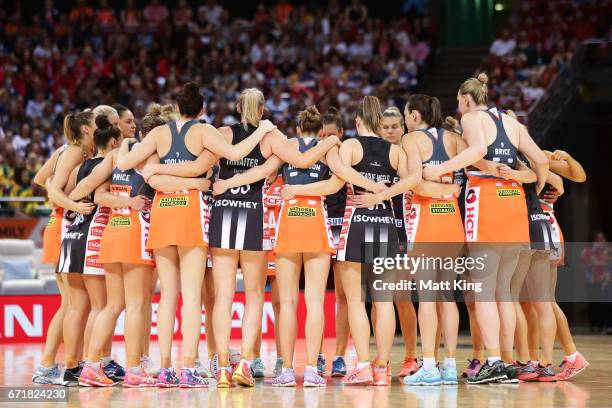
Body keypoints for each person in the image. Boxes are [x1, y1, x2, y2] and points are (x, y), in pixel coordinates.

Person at [116, 82, 276, 387]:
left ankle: (165, 368)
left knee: (166, 299)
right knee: (191, 298)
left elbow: (125, 163)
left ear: (175, 108)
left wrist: (155, 169)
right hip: (190, 213)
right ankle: (188, 368)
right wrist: (262, 129)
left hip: (163, 213)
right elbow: (236, 152)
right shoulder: (204, 132)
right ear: (201, 110)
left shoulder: (159, 134)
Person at [281, 96, 420, 386]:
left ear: (357, 122)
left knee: (355, 300)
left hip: (356, 222)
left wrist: (295, 189)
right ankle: (382, 369)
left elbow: (336, 182)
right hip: (385, 224)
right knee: (383, 302)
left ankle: (365, 365)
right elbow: (414, 179)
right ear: (380, 123)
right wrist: (383, 194)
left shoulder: (350, 146)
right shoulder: (395, 151)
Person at [422, 73, 548, 384]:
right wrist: (528, 188)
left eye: (459, 102)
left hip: (488, 203)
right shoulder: (512, 122)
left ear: (467, 99)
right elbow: (540, 163)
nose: (459, 108)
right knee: (504, 292)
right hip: (515, 204)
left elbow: (477, 151)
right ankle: (506, 362)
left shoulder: (473, 117)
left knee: (484, 292)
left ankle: (493, 361)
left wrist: (440, 167)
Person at [48, 113, 114, 386]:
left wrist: (68, 204)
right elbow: (58, 192)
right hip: (89, 236)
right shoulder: (95, 161)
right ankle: (89, 365)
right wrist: (74, 204)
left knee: (77, 307)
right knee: (99, 306)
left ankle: (71, 366)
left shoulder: (79, 165)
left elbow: (52, 186)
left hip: (71, 235)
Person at [378, 106, 419, 377]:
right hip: (378, 231)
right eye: (386, 127)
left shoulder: (407, 153)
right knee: (380, 298)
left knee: (402, 298)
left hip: (405, 232)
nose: (391, 130)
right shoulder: (373, 154)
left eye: (395, 126)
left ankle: (411, 356)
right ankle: (382, 359)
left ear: (403, 128)